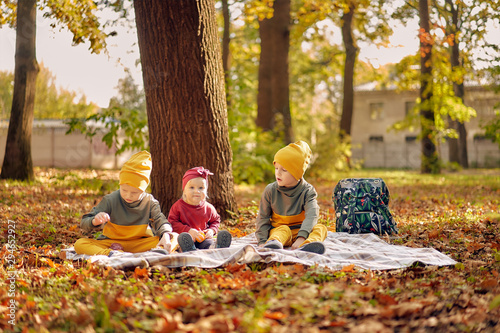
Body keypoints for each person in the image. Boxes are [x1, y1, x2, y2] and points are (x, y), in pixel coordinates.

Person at [74, 151, 176, 256]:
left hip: (140, 243)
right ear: (120, 185)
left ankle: (157, 250)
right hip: (112, 243)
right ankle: (111, 254)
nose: (128, 196)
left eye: (134, 192)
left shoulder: (150, 202)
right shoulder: (110, 200)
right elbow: (84, 223)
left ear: (143, 189)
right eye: (124, 190)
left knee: (175, 237)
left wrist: (165, 235)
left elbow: (160, 220)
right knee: (80, 244)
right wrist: (95, 221)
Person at [255, 141, 328, 254]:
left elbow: (312, 214)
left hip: (302, 231)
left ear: (297, 173)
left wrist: (302, 238)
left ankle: (307, 245)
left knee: (321, 228)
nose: (278, 173)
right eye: (276, 168)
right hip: (279, 231)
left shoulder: (307, 191)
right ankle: (273, 244)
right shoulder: (270, 190)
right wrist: (262, 241)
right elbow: (262, 218)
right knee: (283, 230)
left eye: (284, 170)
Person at [168, 166, 232, 252]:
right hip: (185, 238)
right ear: (184, 190)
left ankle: (215, 248)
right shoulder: (178, 206)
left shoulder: (208, 208)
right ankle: (188, 249)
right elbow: (172, 222)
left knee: (208, 243)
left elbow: (215, 220)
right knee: (180, 241)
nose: (197, 191)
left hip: (202, 238)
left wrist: (211, 230)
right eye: (192, 187)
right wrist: (189, 230)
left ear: (206, 190)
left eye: (201, 188)